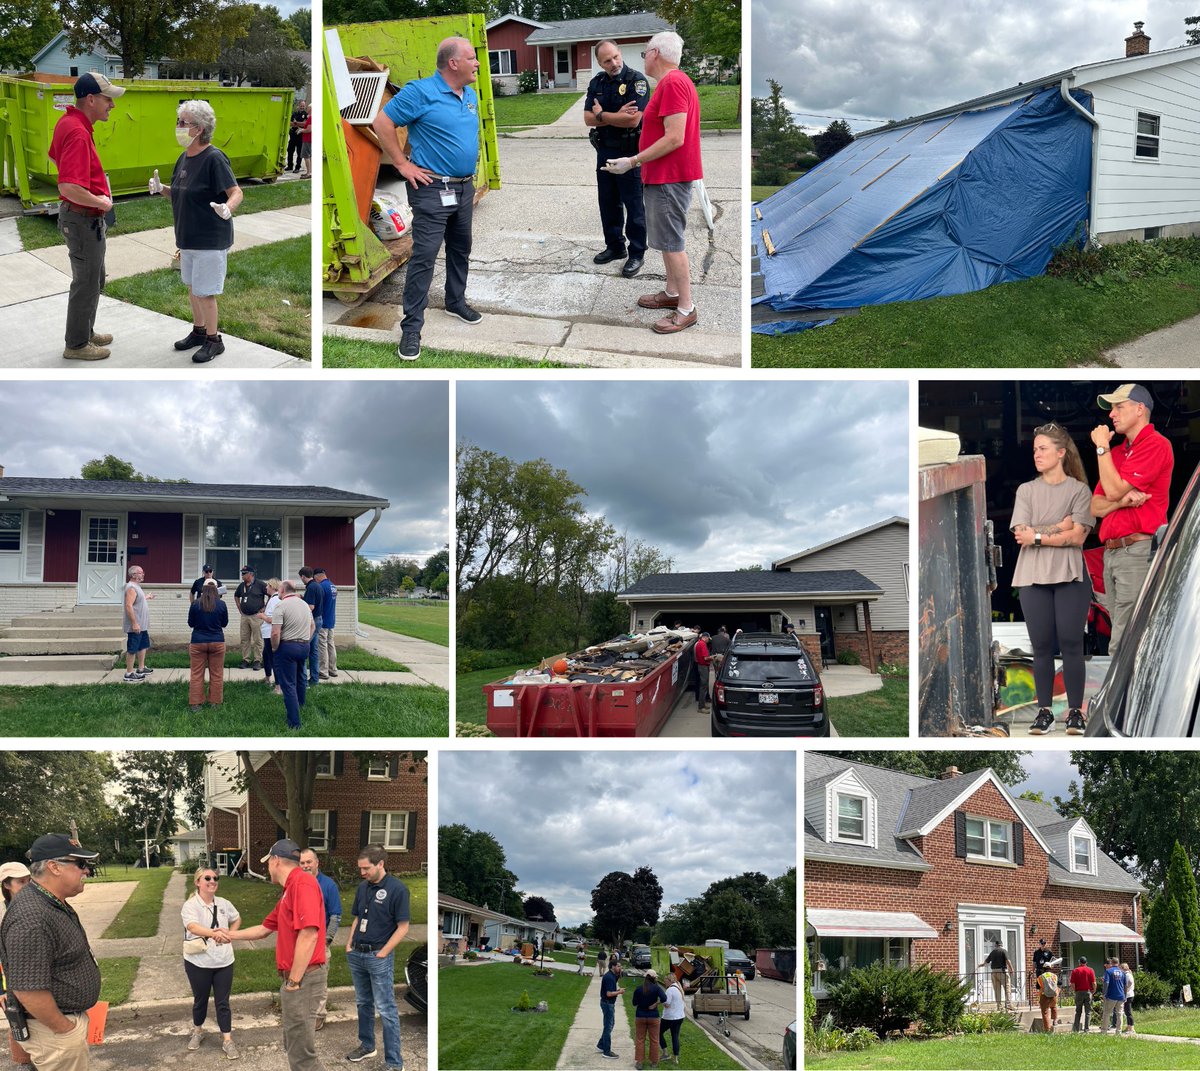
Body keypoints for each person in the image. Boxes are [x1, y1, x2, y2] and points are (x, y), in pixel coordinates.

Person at [371, 37, 483, 362]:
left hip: (463, 188)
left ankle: (455, 302)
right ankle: (411, 327)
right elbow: (382, 122)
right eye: (472, 58)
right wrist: (403, 165)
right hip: (432, 189)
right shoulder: (421, 92)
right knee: (424, 257)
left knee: (461, 248)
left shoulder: (470, 94)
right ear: (453, 63)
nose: (477, 64)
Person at [605, 31, 702, 335]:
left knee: (672, 244)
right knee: (663, 240)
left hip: (669, 178)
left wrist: (632, 161)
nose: (643, 56)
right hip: (663, 177)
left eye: (645, 51)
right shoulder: (672, 83)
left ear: (656, 53)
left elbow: (675, 136)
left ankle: (686, 308)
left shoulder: (673, 83)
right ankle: (672, 294)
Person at [1010, 422, 1094, 735]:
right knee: (1041, 646)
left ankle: (1075, 713)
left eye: (1043, 448)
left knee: (1072, 643)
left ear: (1061, 453)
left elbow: (1078, 537)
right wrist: (1059, 526)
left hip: (1070, 573)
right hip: (1032, 574)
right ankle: (1044, 712)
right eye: (1034, 450)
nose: (1037, 454)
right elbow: (1021, 533)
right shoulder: (1026, 490)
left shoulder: (1079, 490)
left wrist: (1040, 534)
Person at [149, 100, 242, 363]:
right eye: (178, 122)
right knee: (193, 288)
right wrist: (162, 189)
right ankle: (199, 332)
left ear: (199, 129)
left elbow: (236, 192)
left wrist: (228, 208)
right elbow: (182, 193)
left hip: (209, 239)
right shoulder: (184, 157)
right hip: (188, 239)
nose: (178, 127)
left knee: (205, 292)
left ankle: (214, 340)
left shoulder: (214, 158)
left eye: (183, 123)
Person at [221, 840, 326, 1070]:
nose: (267, 868)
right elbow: (264, 929)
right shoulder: (289, 890)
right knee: (293, 1044)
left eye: (268, 863)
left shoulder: (303, 883)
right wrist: (229, 934)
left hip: (303, 979)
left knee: (302, 1054)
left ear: (275, 860)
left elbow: (309, 935)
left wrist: (293, 982)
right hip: (297, 979)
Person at [0, 834, 101, 1071]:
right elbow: (28, 990)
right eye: (81, 864)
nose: (86, 871)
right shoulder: (31, 916)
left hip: (59, 1026)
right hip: (54, 1033)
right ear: (54, 867)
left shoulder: (49, 902)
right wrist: (64, 1030)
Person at [1090, 383, 1175, 657]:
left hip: (1136, 551)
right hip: (1113, 553)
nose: (1112, 414)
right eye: (1111, 408)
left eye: (1119, 407)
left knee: (1123, 641)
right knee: (1124, 633)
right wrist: (1121, 501)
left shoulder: (1156, 445)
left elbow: (1111, 491)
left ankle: (1119, 701)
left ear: (1140, 409)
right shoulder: (1117, 453)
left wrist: (1101, 447)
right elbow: (1096, 507)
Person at [48, 72, 123, 362]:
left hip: (83, 218)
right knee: (87, 282)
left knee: (96, 279)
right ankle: (77, 344)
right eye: (108, 99)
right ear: (90, 99)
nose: (112, 105)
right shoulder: (78, 131)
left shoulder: (70, 122)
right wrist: (100, 201)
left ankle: (85, 330)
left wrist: (89, 189)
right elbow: (67, 186)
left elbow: (55, 156)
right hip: (82, 220)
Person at [584, 40, 649, 277]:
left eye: (615, 57)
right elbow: (587, 119)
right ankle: (615, 246)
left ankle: (637, 253)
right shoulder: (597, 83)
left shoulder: (636, 81)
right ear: (600, 63)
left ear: (620, 53)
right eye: (607, 61)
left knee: (633, 205)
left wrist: (601, 113)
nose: (613, 63)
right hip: (605, 150)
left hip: (629, 151)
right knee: (608, 202)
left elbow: (633, 120)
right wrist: (611, 116)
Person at [344, 846, 410, 1069]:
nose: (362, 873)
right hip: (357, 953)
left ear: (380, 863)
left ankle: (394, 1062)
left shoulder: (397, 889)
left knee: (386, 1008)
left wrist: (383, 952)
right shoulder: (362, 887)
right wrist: (349, 943)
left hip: (377, 955)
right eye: (360, 868)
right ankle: (367, 1045)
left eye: (366, 868)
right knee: (363, 1003)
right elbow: (356, 918)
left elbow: (403, 927)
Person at [181, 866, 241, 1059]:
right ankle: (198, 1031)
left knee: (223, 1002)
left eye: (215, 878)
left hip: (224, 961)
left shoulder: (223, 903)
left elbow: (237, 918)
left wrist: (230, 934)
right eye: (207, 878)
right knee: (200, 1000)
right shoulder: (190, 905)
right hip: (198, 962)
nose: (213, 881)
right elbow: (192, 926)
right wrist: (216, 933)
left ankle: (227, 1040)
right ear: (198, 882)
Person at [298, 849, 341, 1032]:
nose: (306, 866)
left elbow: (335, 915)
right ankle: (302, 1013)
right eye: (302, 863)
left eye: (309, 862)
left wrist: (327, 941)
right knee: (299, 977)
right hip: (300, 941)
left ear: (317, 863)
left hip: (320, 942)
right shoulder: (297, 884)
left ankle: (318, 1016)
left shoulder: (328, 885)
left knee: (319, 982)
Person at [0, 862, 33, 1070]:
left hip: (33, 979)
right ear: (6, 884)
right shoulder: (3, 915)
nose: (27, 885)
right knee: (19, 1026)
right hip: (10, 985)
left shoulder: (34, 904)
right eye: (21, 882)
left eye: (29, 880)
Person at [271, 580, 315, 730]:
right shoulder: (304, 604)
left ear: (282, 590)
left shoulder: (280, 606)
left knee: (288, 684)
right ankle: (300, 705)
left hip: (287, 647)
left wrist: (275, 648)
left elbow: (276, 632)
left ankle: (294, 723)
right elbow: (313, 626)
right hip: (304, 646)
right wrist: (305, 640)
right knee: (301, 678)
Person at [187, 577, 229, 711]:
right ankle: (215, 702)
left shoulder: (195, 604)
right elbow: (224, 623)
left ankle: (195, 703)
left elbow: (191, 623)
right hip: (217, 641)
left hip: (198, 641)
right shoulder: (221, 604)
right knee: (217, 673)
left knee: (196, 673)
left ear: (202, 589)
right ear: (216, 589)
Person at [123, 564, 154, 683]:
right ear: (133, 575)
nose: (143, 574)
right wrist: (134, 623)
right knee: (132, 648)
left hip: (142, 625)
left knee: (143, 646)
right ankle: (129, 673)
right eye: (140, 572)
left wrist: (146, 597)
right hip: (136, 625)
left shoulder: (137, 586)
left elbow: (137, 601)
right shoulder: (131, 587)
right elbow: (128, 605)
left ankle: (141, 669)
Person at [632, 968, 667, 1070]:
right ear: (654, 979)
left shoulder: (638, 989)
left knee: (640, 1040)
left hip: (640, 1016)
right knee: (654, 1040)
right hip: (653, 1017)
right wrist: (656, 1003)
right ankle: (654, 1062)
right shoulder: (656, 988)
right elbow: (664, 998)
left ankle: (639, 1062)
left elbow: (634, 1003)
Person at [234, 566, 268, 670]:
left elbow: (271, 594)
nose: (242, 575)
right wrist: (239, 608)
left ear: (251, 574)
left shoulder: (260, 584)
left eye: (244, 573)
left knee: (257, 639)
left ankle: (258, 660)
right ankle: (246, 659)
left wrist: (265, 607)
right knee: (245, 639)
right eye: (242, 573)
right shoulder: (242, 585)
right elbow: (236, 596)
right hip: (245, 616)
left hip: (256, 616)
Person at [298, 567, 325, 687]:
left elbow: (311, 607)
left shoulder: (311, 587)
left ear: (303, 576)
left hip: (312, 622)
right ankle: (314, 679)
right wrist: (303, 599)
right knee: (313, 651)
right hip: (318, 619)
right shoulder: (318, 586)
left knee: (303, 649)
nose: (301, 580)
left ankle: (303, 682)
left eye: (301, 578)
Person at [597, 955, 624, 1061]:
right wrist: (619, 992)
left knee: (610, 1024)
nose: (620, 968)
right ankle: (606, 1051)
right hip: (607, 1003)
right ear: (613, 966)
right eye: (618, 966)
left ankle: (600, 1044)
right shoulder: (609, 977)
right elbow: (608, 994)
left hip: (608, 1004)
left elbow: (619, 976)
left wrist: (617, 990)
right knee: (608, 1027)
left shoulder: (612, 976)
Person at [258, 578, 282, 692]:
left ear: (272, 587)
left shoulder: (275, 600)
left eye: (267, 586)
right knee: (266, 656)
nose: (266, 588)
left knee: (273, 659)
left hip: (270, 633)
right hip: (267, 633)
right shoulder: (272, 598)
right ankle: (268, 678)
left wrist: (263, 616)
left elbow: (274, 619)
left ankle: (278, 686)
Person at [315, 567, 338, 679]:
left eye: (315, 578)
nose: (316, 581)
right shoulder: (333, 586)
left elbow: (319, 604)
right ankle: (333, 669)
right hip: (331, 620)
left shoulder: (321, 587)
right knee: (330, 644)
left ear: (318, 576)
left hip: (323, 621)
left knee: (322, 645)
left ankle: (323, 671)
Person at [978, 939, 1013, 1009]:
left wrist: (981, 965)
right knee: (1007, 988)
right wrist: (1012, 969)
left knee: (997, 989)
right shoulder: (1003, 951)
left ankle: (999, 1006)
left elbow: (986, 962)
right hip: (1002, 971)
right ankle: (1008, 1005)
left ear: (996, 945)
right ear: (1001, 945)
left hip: (994, 972)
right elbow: (1008, 961)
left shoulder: (992, 952)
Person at [659, 971, 685, 1066]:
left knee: (658, 1032)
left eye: (665, 980)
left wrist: (661, 1002)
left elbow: (667, 1004)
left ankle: (665, 1053)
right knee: (675, 1036)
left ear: (669, 980)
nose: (665, 982)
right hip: (679, 1016)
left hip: (669, 1017)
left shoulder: (669, 990)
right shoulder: (679, 987)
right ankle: (675, 1058)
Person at [1100, 957, 1126, 1034]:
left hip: (1111, 996)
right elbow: (1125, 985)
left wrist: (1104, 993)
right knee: (1120, 1014)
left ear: (1111, 962)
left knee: (1107, 1013)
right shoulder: (1122, 972)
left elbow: (1106, 983)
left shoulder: (1108, 971)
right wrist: (1125, 995)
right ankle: (1119, 1031)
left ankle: (1104, 1031)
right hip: (1121, 996)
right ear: (1118, 963)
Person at [1069, 956, 1095, 1032]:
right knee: (1088, 1012)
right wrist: (1093, 991)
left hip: (1079, 992)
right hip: (1088, 991)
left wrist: (1075, 991)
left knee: (1078, 1011)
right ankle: (1086, 1029)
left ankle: (1076, 1029)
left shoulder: (1075, 971)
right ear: (1086, 962)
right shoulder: (1090, 970)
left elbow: (1072, 983)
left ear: (1079, 962)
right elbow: (1094, 983)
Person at [1035, 963, 1059, 1033]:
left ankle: (1047, 1029)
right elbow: (1059, 983)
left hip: (1044, 995)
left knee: (1045, 1012)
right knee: (1054, 1007)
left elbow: (1038, 987)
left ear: (1043, 969)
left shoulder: (1040, 977)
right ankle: (1055, 1021)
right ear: (1050, 968)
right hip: (1053, 995)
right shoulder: (1054, 976)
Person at [287, 101, 308, 173]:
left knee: (299, 152)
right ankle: (290, 165)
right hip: (293, 134)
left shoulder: (306, 114)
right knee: (290, 150)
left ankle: (297, 167)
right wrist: (298, 124)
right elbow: (290, 123)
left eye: (303, 106)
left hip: (300, 135)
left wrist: (296, 123)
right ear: (298, 106)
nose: (302, 107)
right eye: (301, 105)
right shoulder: (294, 114)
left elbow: (304, 124)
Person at [694, 630, 712, 712]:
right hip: (703, 666)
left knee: (703, 686)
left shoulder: (698, 643)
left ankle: (703, 704)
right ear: (705, 637)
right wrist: (714, 657)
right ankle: (701, 707)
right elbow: (705, 658)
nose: (709, 640)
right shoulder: (703, 644)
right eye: (708, 638)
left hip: (700, 666)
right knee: (703, 686)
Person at [1121, 961, 1135, 1035]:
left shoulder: (1127, 975)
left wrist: (1125, 991)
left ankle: (1131, 1028)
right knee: (1126, 1012)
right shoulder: (1127, 974)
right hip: (1129, 994)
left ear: (1123, 968)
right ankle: (1128, 1026)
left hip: (1128, 995)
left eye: (1120, 968)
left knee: (1128, 1012)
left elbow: (1128, 983)